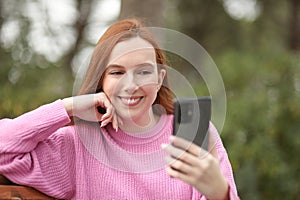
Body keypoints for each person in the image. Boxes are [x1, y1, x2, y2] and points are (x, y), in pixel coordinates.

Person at [0, 18, 239, 200]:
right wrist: (69, 106)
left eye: (144, 72)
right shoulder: (80, 143)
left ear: (159, 78)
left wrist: (219, 192)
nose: (131, 85)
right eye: (116, 72)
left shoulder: (191, 129)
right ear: (100, 80)